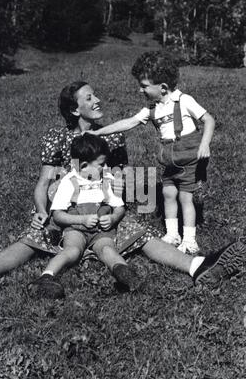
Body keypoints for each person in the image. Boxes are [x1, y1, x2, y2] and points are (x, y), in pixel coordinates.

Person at [0, 81, 244, 296]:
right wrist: (42, 211)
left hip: (105, 209)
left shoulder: (114, 137)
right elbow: (44, 182)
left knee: (141, 232)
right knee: (33, 234)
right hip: (65, 212)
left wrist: (114, 193)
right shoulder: (55, 137)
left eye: (95, 95)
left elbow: (121, 179)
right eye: (89, 97)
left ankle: (198, 267)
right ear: (74, 109)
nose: (98, 100)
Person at [91, 51, 215, 254]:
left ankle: (190, 239)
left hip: (189, 156)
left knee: (185, 197)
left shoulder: (184, 100)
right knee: (167, 193)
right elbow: (128, 122)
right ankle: (173, 234)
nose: (141, 90)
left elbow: (209, 119)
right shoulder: (152, 109)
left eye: (144, 86)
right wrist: (97, 132)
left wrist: (205, 144)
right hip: (168, 158)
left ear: (163, 87)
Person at [29, 134, 137, 299]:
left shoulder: (107, 178)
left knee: (107, 249)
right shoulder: (69, 181)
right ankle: (46, 278)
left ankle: (125, 274)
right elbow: (58, 215)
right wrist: (81, 220)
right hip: (76, 228)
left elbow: (119, 207)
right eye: (101, 164)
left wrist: (114, 218)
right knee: (72, 249)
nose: (106, 166)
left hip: (101, 230)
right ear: (85, 166)